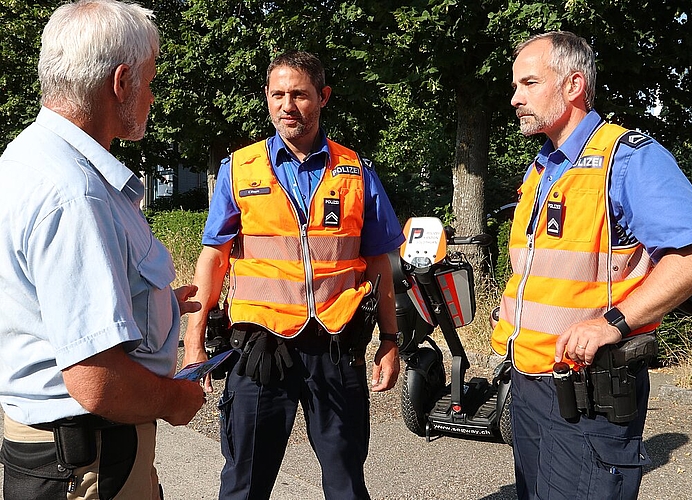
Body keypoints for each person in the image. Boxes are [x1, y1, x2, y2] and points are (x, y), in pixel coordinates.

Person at [0, 1, 206, 498]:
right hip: (89, 464)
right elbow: (97, 380)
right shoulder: (75, 193)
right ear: (121, 83)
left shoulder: (29, 155)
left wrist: (150, 306)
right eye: (150, 82)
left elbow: (44, 304)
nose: (152, 97)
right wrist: (174, 400)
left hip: (64, 456)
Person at [492, 31, 692, 500]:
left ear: (572, 86)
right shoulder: (542, 168)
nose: (515, 99)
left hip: (590, 392)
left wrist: (614, 323)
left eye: (527, 83)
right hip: (531, 385)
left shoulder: (627, 158)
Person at [183, 50, 404, 500]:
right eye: (277, 94)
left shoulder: (355, 171)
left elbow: (381, 262)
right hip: (261, 346)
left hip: (336, 343)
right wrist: (194, 339)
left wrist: (390, 339)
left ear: (322, 98)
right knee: (244, 483)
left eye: (300, 94)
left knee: (345, 480)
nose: (288, 105)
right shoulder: (239, 169)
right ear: (266, 98)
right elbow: (214, 257)